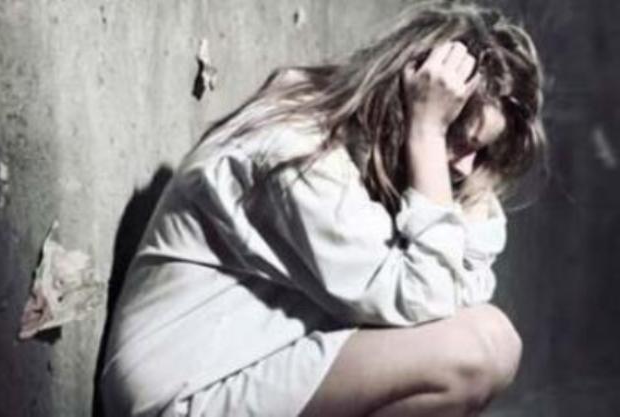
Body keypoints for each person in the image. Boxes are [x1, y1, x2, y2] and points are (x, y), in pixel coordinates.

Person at [100, 1, 546, 416]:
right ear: (408, 103)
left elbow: (463, 288)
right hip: (185, 396)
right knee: (473, 353)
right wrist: (428, 136)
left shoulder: (372, 153)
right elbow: (427, 298)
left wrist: (456, 166)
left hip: (255, 365)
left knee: (495, 341)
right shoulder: (295, 153)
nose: (465, 167)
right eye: (459, 139)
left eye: (481, 153)